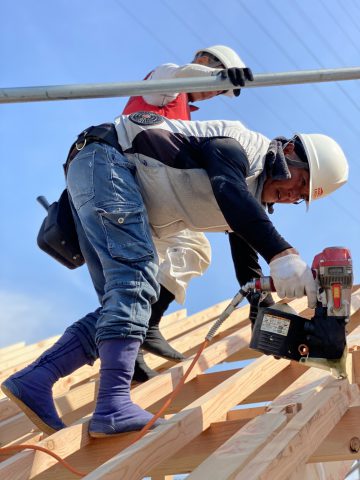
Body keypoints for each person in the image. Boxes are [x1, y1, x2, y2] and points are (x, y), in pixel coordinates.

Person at [1, 113, 348, 438]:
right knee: (135, 284)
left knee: (124, 303)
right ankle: (112, 406)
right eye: (300, 182)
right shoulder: (243, 147)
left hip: (105, 171)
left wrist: (263, 304)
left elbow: (246, 247)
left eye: (300, 198)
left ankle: (37, 378)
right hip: (108, 160)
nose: (292, 195)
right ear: (289, 152)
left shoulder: (248, 200)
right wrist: (283, 254)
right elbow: (229, 188)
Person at [122, 45, 255, 382]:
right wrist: (206, 75)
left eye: (219, 91)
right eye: (215, 83)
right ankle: (129, 342)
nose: (213, 94)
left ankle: (144, 328)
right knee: (137, 277)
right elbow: (175, 74)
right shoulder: (164, 86)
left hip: (161, 192)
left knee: (193, 251)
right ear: (203, 61)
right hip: (135, 183)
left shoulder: (185, 114)